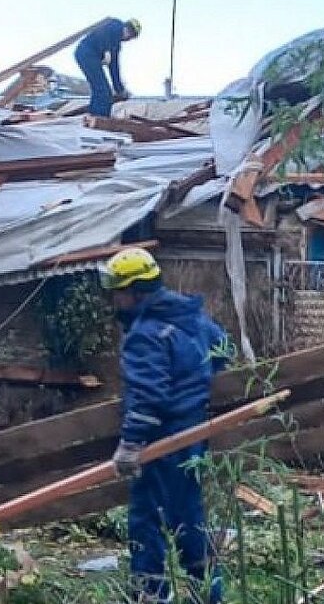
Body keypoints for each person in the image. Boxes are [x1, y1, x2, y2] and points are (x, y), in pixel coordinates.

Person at [101, 247, 229, 603]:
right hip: (193, 435)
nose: (115, 300)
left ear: (135, 291)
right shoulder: (195, 319)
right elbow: (223, 352)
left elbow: (147, 395)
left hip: (161, 441)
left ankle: (149, 594)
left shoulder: (146, 334)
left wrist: (130, 444)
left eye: (118, 292)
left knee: (147, 519)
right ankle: (207, 593)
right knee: (188, 513)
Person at [75, 17, 141, 117]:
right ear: (126, 27)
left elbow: (114, 69)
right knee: (103, 90)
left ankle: (94, 115)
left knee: (99, 88)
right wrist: (106, 49)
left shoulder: (116, 46)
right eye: (129, 33)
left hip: (89, 57)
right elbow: (103, 31)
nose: (127, 37)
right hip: (86, 53)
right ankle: (99, 117)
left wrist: (120, 90)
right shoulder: (115, 24)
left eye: (130, 37)